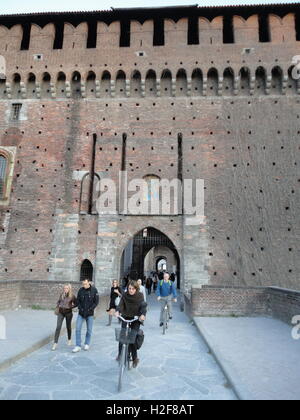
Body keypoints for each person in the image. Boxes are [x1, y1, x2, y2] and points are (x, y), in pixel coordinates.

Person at [115, 280, 147, 368]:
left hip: (136, 319)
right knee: (122, 336)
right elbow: (121, 304)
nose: (131, 290)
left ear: (136, 289)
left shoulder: (140, 295)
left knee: (132, 338)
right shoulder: (125, 295)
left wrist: (142, 315)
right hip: (125, 317)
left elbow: (143, 306)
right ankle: (120, 354)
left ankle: (135, 358)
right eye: (129, 288)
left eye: (133, 289)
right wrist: (117, 311)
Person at [72, 278, 99, 353]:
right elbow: (78, 301)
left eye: (85, 284)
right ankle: (78, 345)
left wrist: (91, 309)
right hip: (81, 313)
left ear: (89, 283)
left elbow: (96, 301)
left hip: (90, 313)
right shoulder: (81, 290)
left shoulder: (94, 290)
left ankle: (87, 343)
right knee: (77, 328)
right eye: (83, 284)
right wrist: (80, 308)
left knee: (89, 330)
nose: (84, 285)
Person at [52, 284, 76, 351]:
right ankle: (55, 343)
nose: (65, 289)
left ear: (69, 289)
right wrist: (58, 305)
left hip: (68, 313)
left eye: (67, 288)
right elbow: (59, 301)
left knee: (68, 326)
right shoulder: (61, 294)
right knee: (58, 327)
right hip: (61, 312)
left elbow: (76, 303)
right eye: (64, 288)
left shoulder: (72, 296)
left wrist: (71, 307)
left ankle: (69, 339)